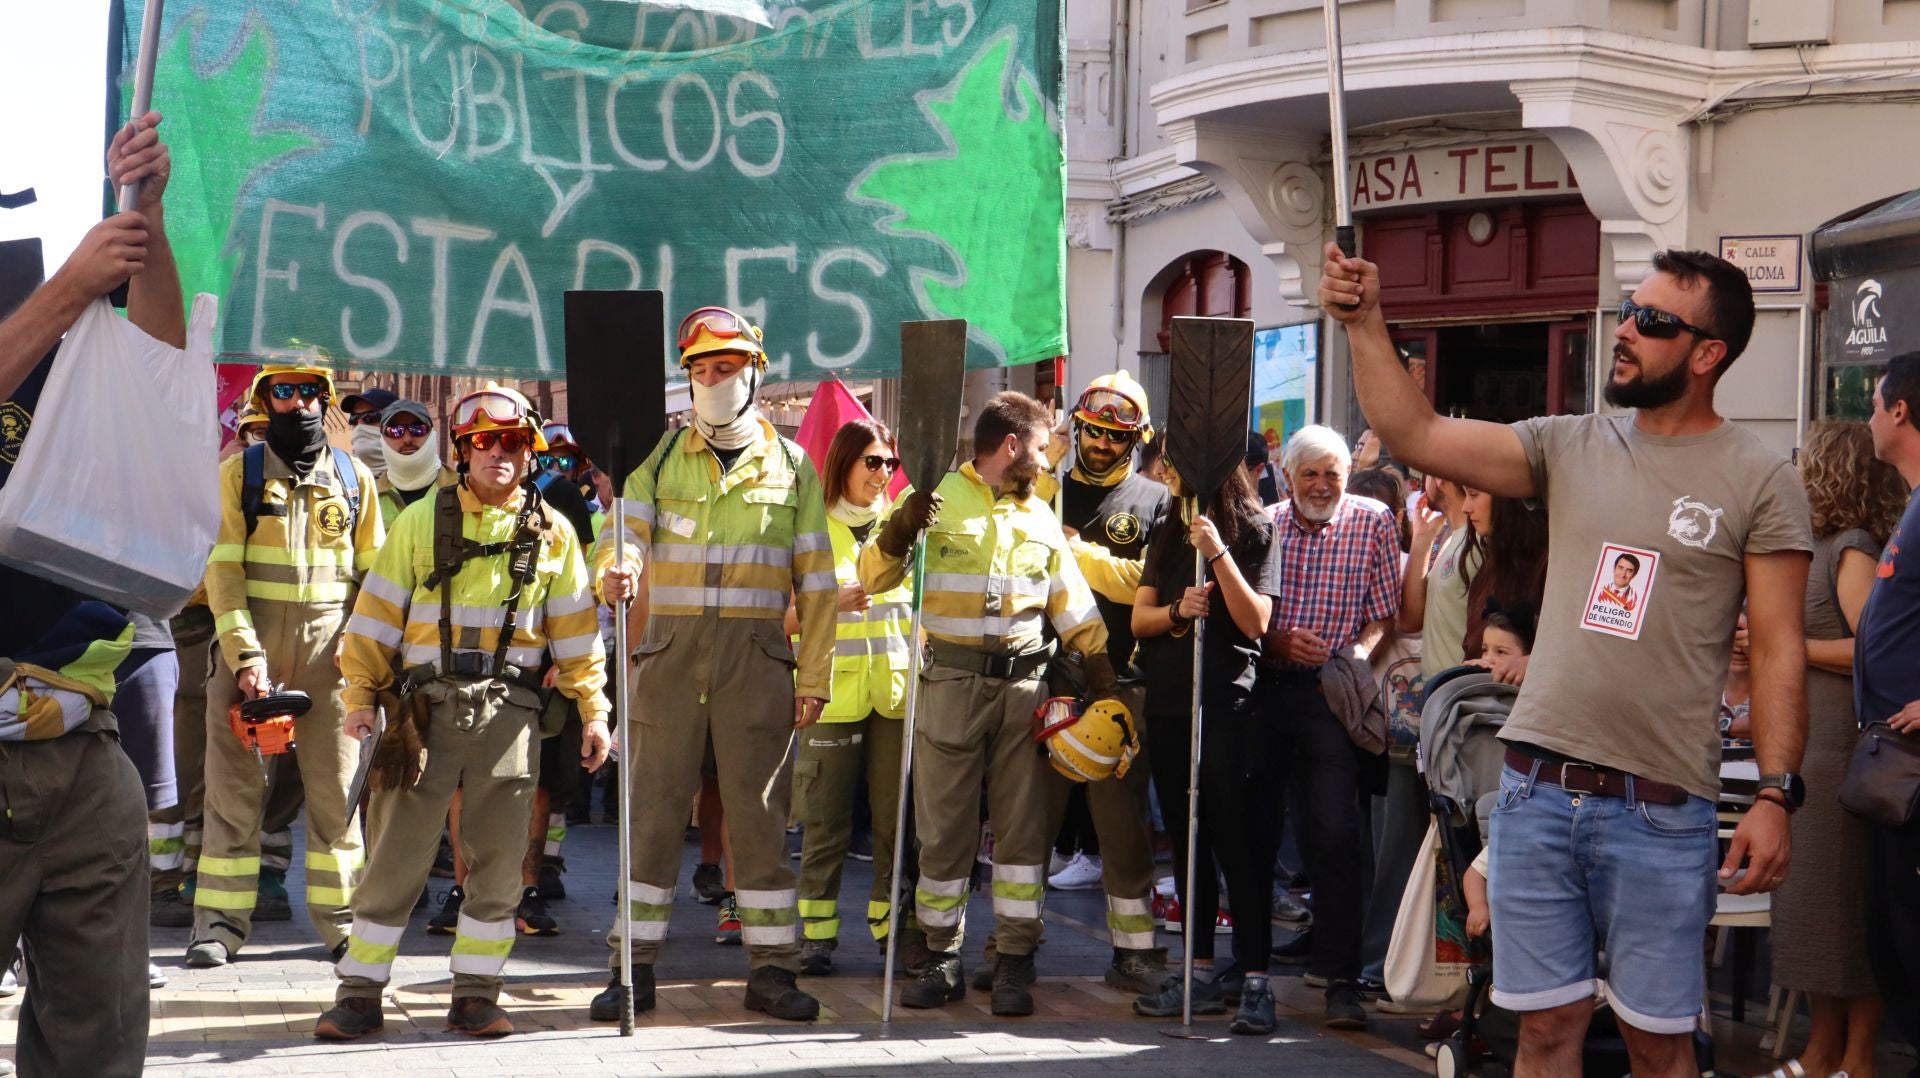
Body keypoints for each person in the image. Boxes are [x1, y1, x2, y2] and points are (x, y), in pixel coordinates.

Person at [1321, 242, 1810, 1077]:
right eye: (1628, 309)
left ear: (1707, 354)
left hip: (1661, 809)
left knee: (1660, 1046)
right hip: (1536, 794)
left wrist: (1774, 790)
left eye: (1652, 322)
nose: (1625, 330)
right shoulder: (1569, 444)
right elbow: (1418, 431)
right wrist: (1367, 322)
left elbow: (1777, 646)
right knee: (1542, 1035)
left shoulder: (1760, 477)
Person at [316, 384, 611, 1039]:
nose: (497, 453)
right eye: (483, 441)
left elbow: (579, 637)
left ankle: (477, 995)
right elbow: (374, 618)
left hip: (511, 714)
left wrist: (594, 712)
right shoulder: (421, 522)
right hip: (423, 712)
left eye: (511, 442)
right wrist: (360, 699)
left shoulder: (554, 533)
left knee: (501, 861)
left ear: (528, 452)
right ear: (463, 450)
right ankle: (360, 994)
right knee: (395, 853)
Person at [590, 305, 835, 1022]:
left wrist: (814, 677)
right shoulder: (658, 459)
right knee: (652, 817)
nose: (711, 379)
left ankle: (772, 972)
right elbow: (623, 533)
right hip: (668, 657)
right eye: (699, 370)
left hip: (757, 661)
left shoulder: (793, 468)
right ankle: (629, 969)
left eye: (725, 367)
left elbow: (816, 582)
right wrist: (615, 568)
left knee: (761, 821)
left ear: (754, 372)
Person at [0, 110, 179, 1077]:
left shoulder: (61, 341)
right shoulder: (49, 306)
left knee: (96, 1044)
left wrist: (145, 222)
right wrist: (70, 288)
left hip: (79, 740)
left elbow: (156, 360)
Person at [860, 391, 1122, 1016]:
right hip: (949, 686)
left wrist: (1106, 677)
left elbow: (1072, 602)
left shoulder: (1038, 515)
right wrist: (899, 531)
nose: (1045, 455)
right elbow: (873, 577)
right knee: (944, 833)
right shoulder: (932, 498)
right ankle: (940, 957)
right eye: (1039, 445)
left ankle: (1012, 960)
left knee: (1022, 834)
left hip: (1024, 693)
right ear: (1011, 446)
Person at [188, 357, 384, 968]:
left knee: (337, 802)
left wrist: (364, 665)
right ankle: (217, 929)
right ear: (265, 400)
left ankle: (343, 927)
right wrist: (244, 658)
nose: (296, 402)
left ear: (323, 401)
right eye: (282, 392)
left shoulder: (354, 479)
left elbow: (372, 581)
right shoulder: (238, 474)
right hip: (250, 663)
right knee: (233, 799)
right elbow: (223, 574)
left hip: (333, 668)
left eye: (307, 392)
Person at [1252, 425, 1402, 1033]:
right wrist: (1277, 639)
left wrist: (1357, 655)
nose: (1321, 485)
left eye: (1332, 474)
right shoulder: (1263, 524)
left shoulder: (1373, 522)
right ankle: (1249, 970)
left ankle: (1341, 978)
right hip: (1265, 692)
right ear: (1288, 476)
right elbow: (1244, 615)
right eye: (1310, 473)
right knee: (1258, 832)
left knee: (1337, 834)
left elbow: (1382, 615)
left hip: (1330, 699)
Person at [1029, 370, 1172, 995]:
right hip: (1044, 674)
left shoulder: (1155, 500)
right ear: (1076, 428)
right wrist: (1042, 468)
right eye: (1092, 432)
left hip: (1121, 682)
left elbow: (1142, 582)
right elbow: (1016, 543)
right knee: (1028, 820)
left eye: (1117, 437)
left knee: (1121, 825)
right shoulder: (1043, 491)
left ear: (1135, 439)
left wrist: (1075, 552)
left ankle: (1134, 953)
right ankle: (1013, 945)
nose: (1102, 445)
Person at [1127, 457, 1279, 1019]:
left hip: (1226, 707)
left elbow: (1257, 620)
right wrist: (1175, 611)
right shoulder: (1167, 526)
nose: (1168, 475)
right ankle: (1198, 972)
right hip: (1169, 705)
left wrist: (1217, 555)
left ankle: (1257, 979)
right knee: (1190, 844)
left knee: (1238, 841)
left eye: (1177, 465)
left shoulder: (1256, 529)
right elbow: (1141, 618)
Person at [1772, 421, 1896, 1078]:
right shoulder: (1811, 545)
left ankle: (1855, 1058)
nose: (1791, 465)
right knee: (1811, 910)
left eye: (1803, 457)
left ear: (1827, 468)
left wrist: (1794, 649)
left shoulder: (1853, 549)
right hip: (1807, 751)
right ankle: (1820, 1051)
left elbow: (1876, 653)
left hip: (1844, 753)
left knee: (1847, 911)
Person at [793, 419, 915, 976]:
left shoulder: (905, 528)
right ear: (842, 463)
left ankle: (893, 932)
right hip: (830, 701)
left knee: (896, 825)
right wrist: (827, 606)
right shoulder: (812, 529)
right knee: (825, 826)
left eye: (889, 463)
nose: (882, 473)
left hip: (895, 698)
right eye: (872, 461)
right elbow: (778, 620)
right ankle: (816, 938)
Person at [1854, 355, 1920, 1062]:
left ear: (1900, 410)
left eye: (1874, 404)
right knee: (1893, 940)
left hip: (1914, 770)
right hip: (1893, 769)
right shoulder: (1912, 502)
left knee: (1908, 938)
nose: (1867, 419)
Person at [373, 398, 456, 526]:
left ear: (431, 433)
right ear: (382, 438)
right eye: (395, 431)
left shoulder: (463, 491)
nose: (407, 439)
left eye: (417, 429)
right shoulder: (369, 496)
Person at [338, 386, 397, 479]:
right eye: (354, 418)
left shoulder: (415, 479)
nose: (360, 424)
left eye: (371, 416)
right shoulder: (342, 480)